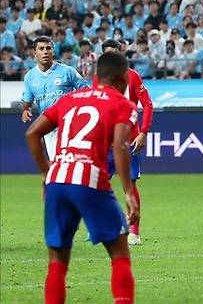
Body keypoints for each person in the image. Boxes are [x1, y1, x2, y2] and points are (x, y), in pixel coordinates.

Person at [24, 52, 139, 304]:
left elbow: (32, 133)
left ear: (96, 77)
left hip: (57, 180)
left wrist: (46, 174)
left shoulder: (69, 100)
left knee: (57, 261)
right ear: (124, 79)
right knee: (119, 252)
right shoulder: (123, 105)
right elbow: (120, 147)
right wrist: (129, 193)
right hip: (89, 179)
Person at [92, 40, 153, 246]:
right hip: (105, 141)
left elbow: (148, 104)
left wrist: (143, 132)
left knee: (129, 186)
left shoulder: (133, 76)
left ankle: (134, 233)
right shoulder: (98, 79)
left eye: (115, 53)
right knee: (97, 185)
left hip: (129, 140)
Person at [21, 36, 87, 160]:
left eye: (48, 48)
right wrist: (25, 110)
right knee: (56, 162)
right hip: (48, 126)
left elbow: (85, 92)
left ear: (53, 51)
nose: (45, 51)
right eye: (41, 49)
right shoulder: (30, 76)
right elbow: (27, 101)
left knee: (71, 161)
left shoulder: (68, 71)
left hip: (69, 123)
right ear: (35, 52)